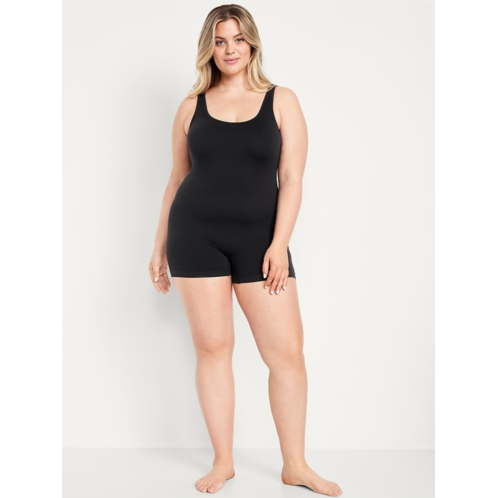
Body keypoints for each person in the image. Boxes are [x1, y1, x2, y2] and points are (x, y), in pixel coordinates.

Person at [149, 4, 342, 496]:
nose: (229, 49)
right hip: (195, 235)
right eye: (220, 41)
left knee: (287, 354)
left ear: (252, 43)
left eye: (238, 39)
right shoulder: (191, 106)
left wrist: (280, 243)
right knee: (213, 349)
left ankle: (295, 464)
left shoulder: (282, 100)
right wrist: (159, 246)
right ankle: (223, 461)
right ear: (208, 48)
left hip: (261, 240)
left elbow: (292, 178)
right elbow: (176, 180)